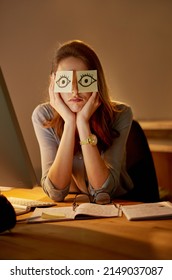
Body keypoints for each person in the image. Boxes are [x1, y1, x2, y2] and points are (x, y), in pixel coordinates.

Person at [32, 40, 134, 204]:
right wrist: (70, 123)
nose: (74, 90)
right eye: (65, 80)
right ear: (54, 83)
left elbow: (103, 190)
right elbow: (55, 192)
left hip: (120, 204)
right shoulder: (43, 116)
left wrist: (83, 123)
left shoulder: (121, 114)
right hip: (69, 208)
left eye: (84, 80)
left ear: (96, 81)